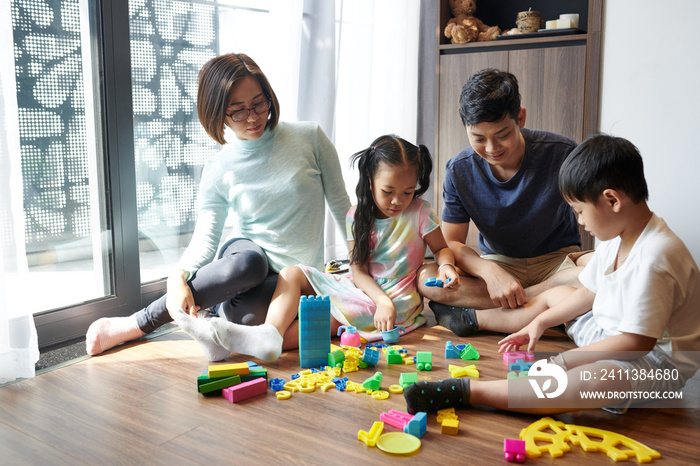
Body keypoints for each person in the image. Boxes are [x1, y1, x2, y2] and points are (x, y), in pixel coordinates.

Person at [404, 134, 700, 415]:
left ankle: (468, 392)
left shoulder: (655, 258)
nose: (581, 223)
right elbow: (588, 292)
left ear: (612, 200)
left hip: (654, 362)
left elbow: (637, 343)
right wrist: (540, 322)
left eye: (580, 211)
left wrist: (563, 360)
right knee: (556, 296)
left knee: (589, 380)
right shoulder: (618, 237)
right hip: (611, 333)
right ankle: (475, 321)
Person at [85, 53, 350, 356]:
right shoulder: (220, 168)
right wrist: (178, 276)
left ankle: (209, 323)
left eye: (259, 103)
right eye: (237, 111)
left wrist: (364, 271)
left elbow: (343, 208)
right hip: (246, 259)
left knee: (250, 322)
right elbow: (206, 238)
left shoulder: (309, 138)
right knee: (251, 264)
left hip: (291, 279)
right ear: (218, 114)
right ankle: (139, 322)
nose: (252, 117)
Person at [172, 135, 461, 361]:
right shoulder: (356, 216)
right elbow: (359, 272)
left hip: (396, 300)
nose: (398, 201)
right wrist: (378, 299)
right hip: (363, 288)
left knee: (325, 319)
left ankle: (243, 343)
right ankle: (267, 335)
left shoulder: (422, 212)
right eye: (389, 191)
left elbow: (441, 250)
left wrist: (446, 265)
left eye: (408, 192)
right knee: (293, 273)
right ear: (370, 181)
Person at [420, 68, 591, 338]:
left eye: (502, 135)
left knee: (608, 270)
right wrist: (490, 272)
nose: (491, 148)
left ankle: (493, 313)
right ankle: (550, 303)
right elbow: (451, 244)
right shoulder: (459, 170)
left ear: (520, 117)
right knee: (427, 279)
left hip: (559, 262)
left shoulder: (563, 154)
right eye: (478, 138)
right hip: (500, 263)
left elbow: (594, 213)